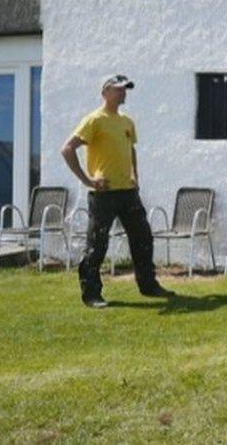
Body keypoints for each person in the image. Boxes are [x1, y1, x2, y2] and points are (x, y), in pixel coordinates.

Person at [61, 74, 173, 308]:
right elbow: (67, 149)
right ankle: (91, 294)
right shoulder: (94, 120)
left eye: (125, 90)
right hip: (103, 194)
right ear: (105, 92)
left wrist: (135, 176)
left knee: (143, 238)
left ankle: (148, 285)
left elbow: (130, 150)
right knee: (97, 245)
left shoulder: (127, 122)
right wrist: (88, 180)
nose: (123, 93)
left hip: (128, 192)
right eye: (119, 89)